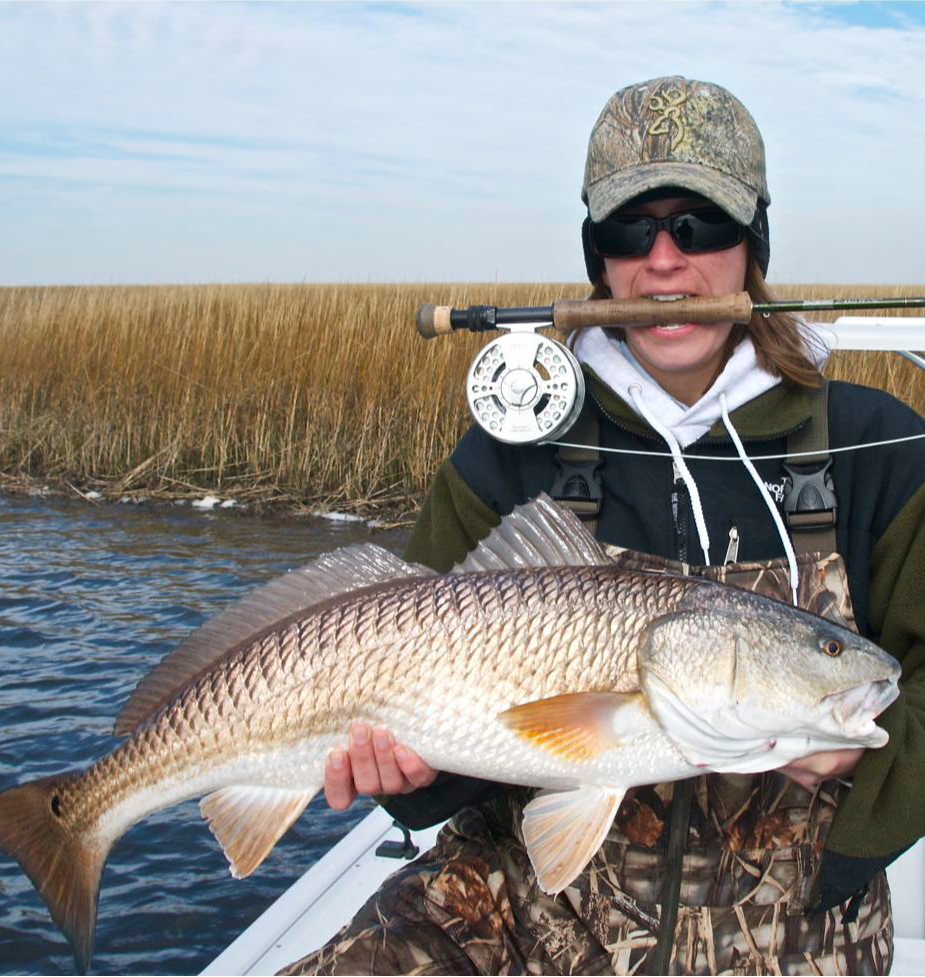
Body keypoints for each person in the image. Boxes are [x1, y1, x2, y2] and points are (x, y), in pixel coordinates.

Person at [281, 76, 925, 976]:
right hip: (509, 906)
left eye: (700, 225)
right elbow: (424, 688)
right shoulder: (514, 449)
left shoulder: (876, 443)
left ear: (754, 246)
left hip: (800, 931)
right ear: (599, 259)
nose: (663, 261)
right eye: (629, 231)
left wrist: (857, 765)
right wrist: (414, 774)